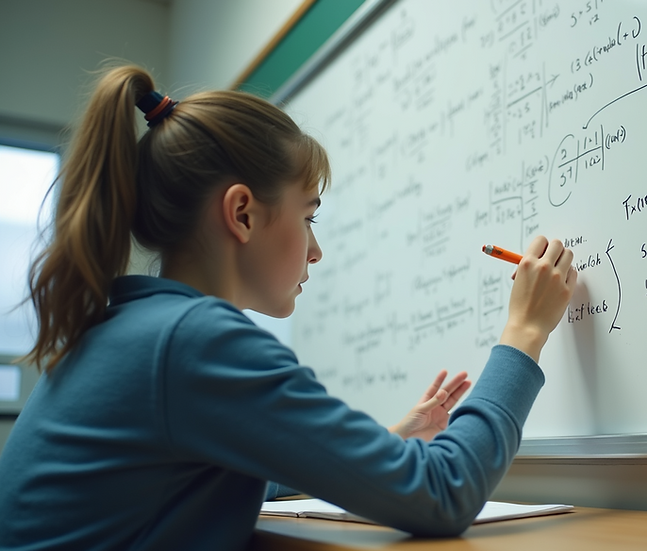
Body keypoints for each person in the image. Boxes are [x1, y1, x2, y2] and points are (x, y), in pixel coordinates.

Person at [0, 64, 577, 550]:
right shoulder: (193, 340)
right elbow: (446, 492)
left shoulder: (135, 328)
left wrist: (389, 444)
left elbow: (247, 474)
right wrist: (524, 332)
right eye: (309, 217)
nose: (316, 249)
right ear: (243, 213)